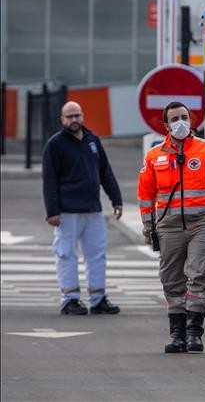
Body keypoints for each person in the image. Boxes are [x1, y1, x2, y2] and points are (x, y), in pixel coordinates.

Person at [137, 101, 205, 354]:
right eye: (174, 119)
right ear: (166, 125)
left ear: (191, 120)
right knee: (171, 280)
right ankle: (177, 334)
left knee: (200, 275)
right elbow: (146, 194)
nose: (180, 122)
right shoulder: (154, 156)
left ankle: (194, 334)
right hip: (168, 227)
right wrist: (148, 226)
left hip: (202, 224)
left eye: (184, 117)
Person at [42, 101, 123, 316]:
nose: (74, 120)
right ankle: (69, 300)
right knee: (66, 254)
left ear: (83, 116)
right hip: (67, 212)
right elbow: (49, 180)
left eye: (77, 115)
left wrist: (116, 199)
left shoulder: (92, 140)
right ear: (62, 120)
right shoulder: (55, 144)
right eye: (69, 117)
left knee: (97, 255)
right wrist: (52, 211)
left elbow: (105, 172)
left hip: (92, 210)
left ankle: (98, 300)